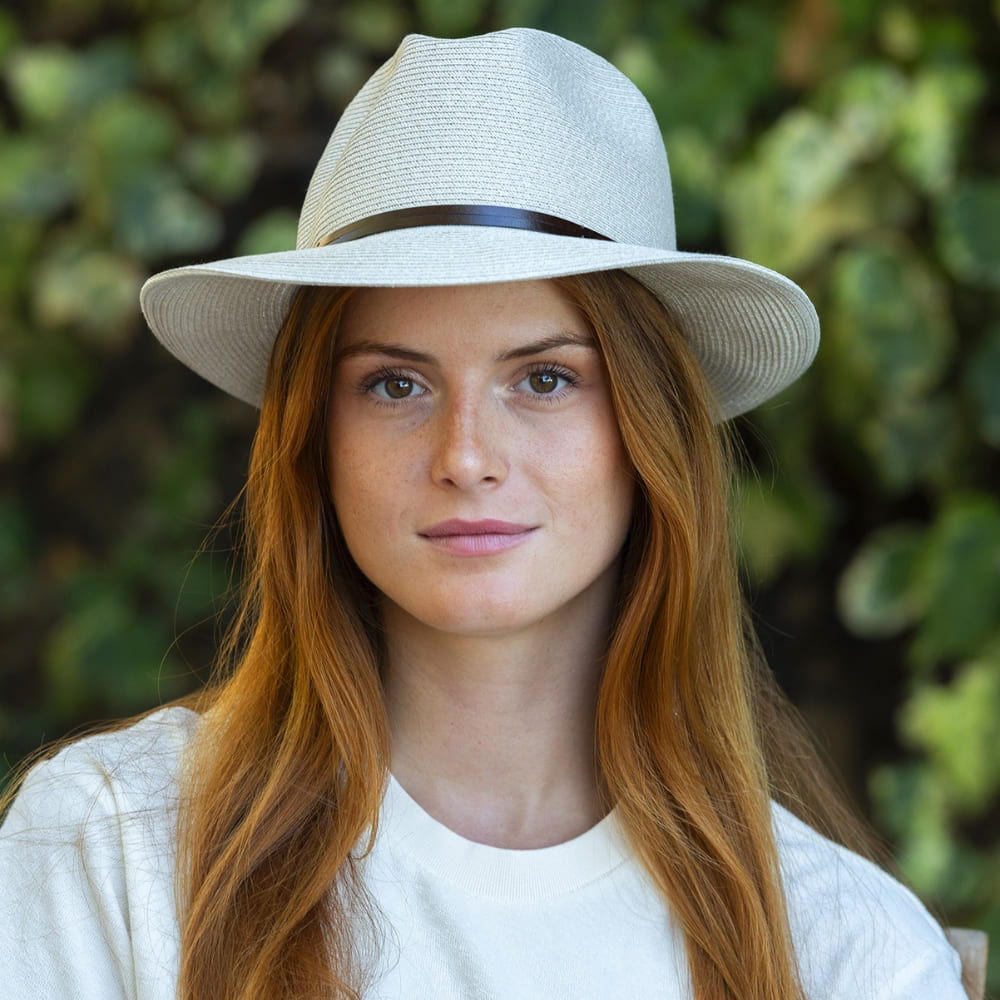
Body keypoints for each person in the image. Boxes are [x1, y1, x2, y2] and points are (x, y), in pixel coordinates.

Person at [0, 27, 966, 1000]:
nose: (465, 457)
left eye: (543, 379)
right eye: (393, 386)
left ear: (648, 430)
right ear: (313, 436)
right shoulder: (107, 851)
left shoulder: (846, 952)